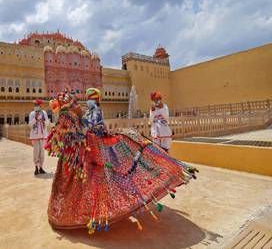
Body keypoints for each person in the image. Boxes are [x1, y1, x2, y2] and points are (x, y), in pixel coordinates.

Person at [46, 89, 198, 233]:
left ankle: (88, 212)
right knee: (99, 177)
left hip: (80, 153)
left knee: (96, 179)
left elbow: (83, 130)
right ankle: (94, 211)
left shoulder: (75, 115)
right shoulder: (74, 115)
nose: (80, 105)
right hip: (83, 152)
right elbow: (85, 130)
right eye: (75, 103)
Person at [29, 99, 49, 175]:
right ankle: (36, 168)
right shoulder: (32, 114)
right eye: (35, 105)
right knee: (36, 152)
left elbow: (47, 123)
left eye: (37, 105)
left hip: (43, 136)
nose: (36, 106)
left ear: (40, 106)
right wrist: (36, 119)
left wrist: (43, 121)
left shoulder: (44, 113)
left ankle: (41, 167)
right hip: (35, 136)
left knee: (42, 153)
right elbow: (30, 125)